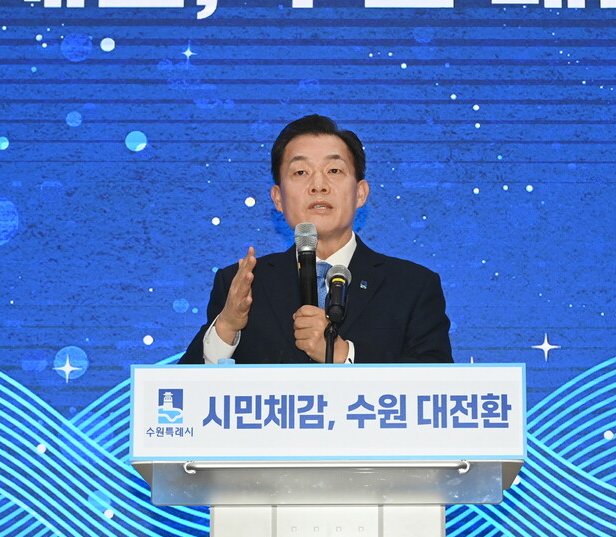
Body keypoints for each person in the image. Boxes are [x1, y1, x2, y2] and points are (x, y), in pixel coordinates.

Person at [178, 114, 452, 365]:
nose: (318, 185)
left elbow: (440, 385)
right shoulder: (242, 285)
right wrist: (227, 326)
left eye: (334, 171)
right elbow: (182, 393)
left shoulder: (412, 286)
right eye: (301, 172)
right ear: (278, 198)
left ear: (360, 193)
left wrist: (342, 354)